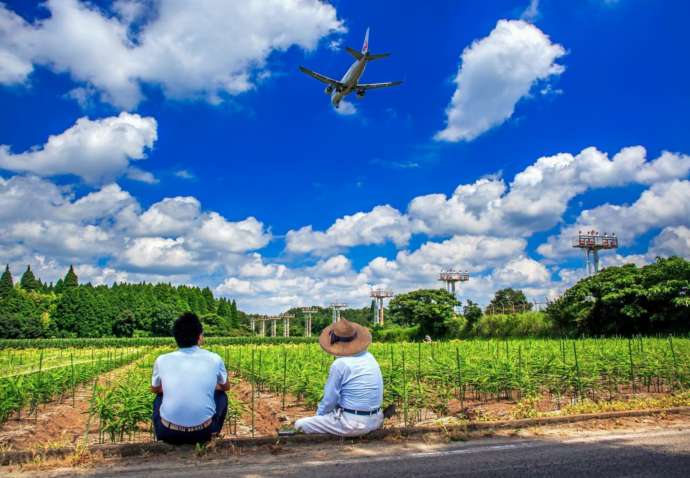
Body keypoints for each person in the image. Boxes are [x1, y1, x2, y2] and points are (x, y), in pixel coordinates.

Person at [151, 312, 230, 444]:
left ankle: (161, 438)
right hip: (203, 433)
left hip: (168, 433)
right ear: (199, 337)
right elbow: (226, 386)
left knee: (159, 398)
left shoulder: (161, 359)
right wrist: (208, 385)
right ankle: (213, 434)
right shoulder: (214, 358)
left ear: (176, 337)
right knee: (221, 396)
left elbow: (155, 389)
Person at [295, 319, 384, 436]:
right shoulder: (370, 357)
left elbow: (329, 400)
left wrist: (319, 417)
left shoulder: (340, 364)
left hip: (353, 424)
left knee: (300, 425)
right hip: (376, 419)